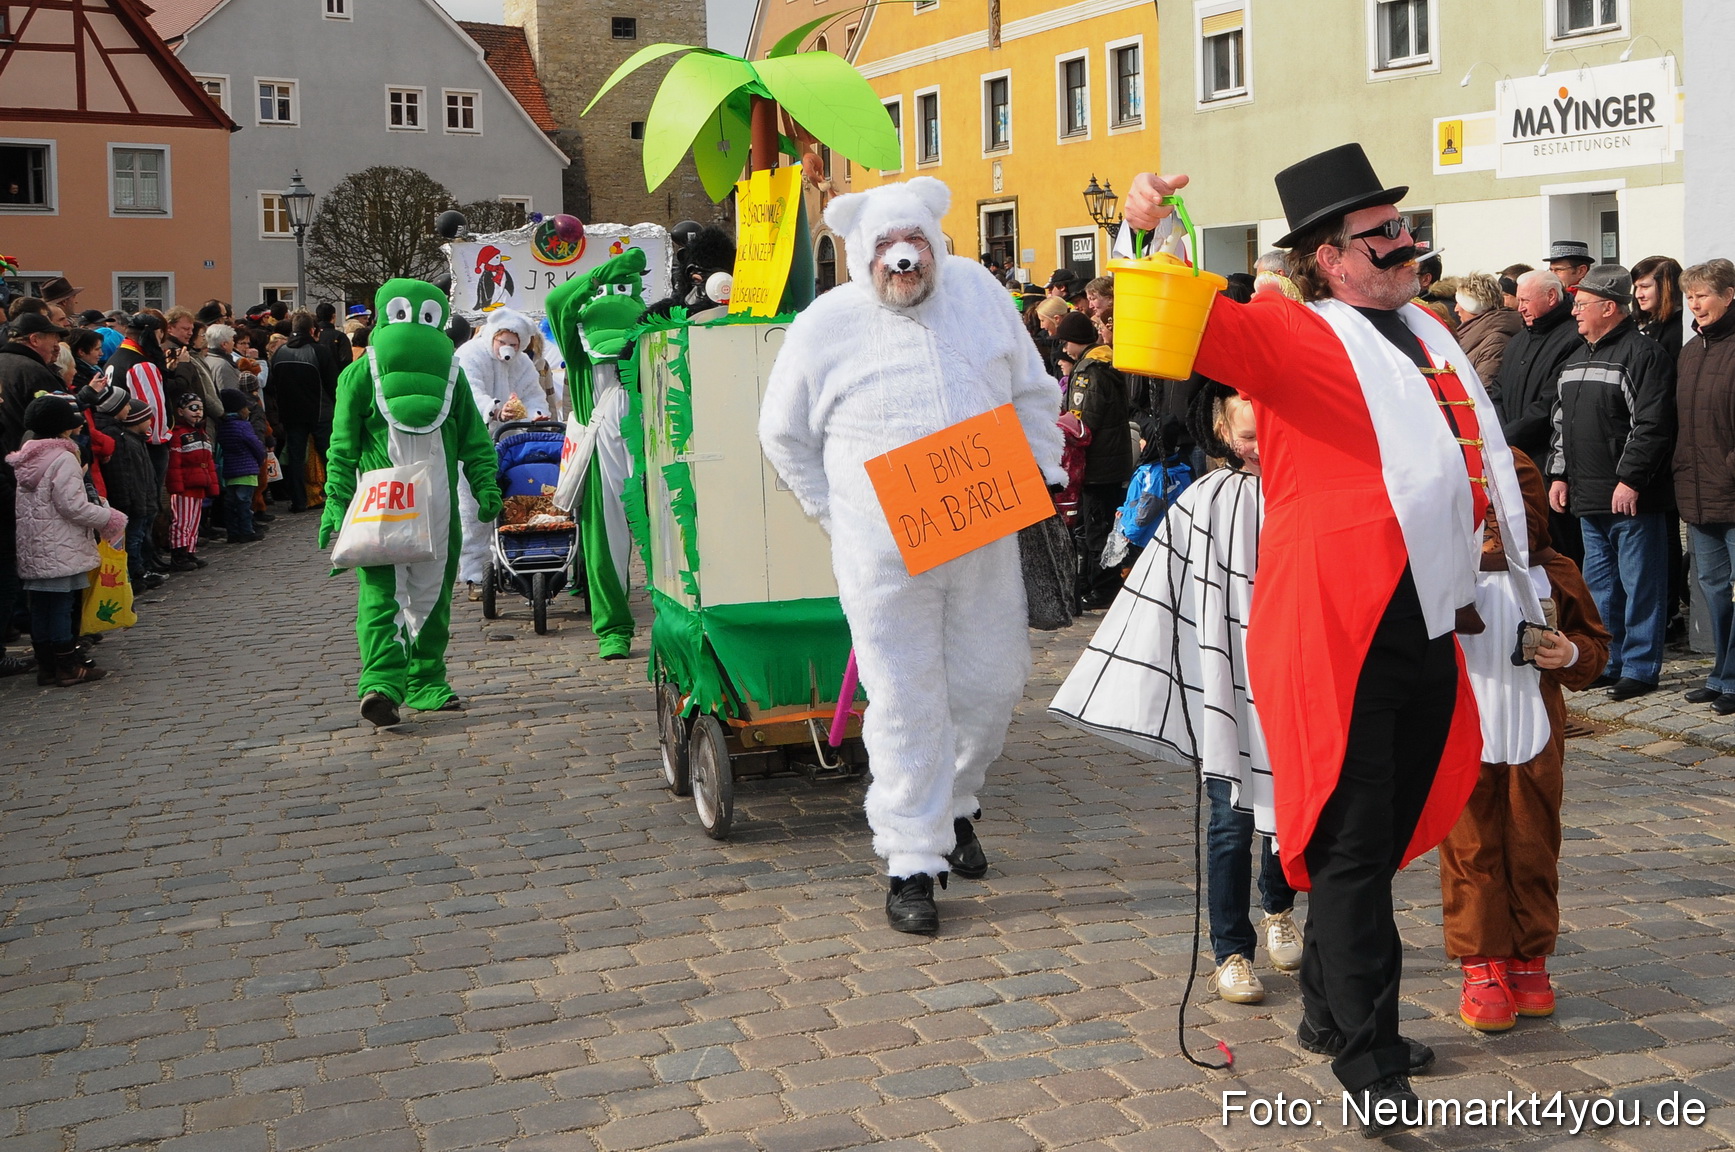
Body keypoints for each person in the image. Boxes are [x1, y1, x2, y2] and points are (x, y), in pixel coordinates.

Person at [1119, 144, 1535, 1132]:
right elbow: (1179, 328)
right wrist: (1143, 232)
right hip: (1333, 634)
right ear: (1325, 258)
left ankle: (1325, 1009)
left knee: (1382, 838)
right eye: (1380, 233)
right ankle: (1369, 1061)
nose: (1405, 242)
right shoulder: (1290, 333)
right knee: (1351, 851)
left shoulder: (1428, 331)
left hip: (1426, 619)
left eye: (1403, 225)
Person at [760, 177, 1065, 936]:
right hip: (882, 551)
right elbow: (784, 435)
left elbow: (1031, 391)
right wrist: (837, 514)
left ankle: (955, 803)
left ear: (937, 245)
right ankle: (910, 861)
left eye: (917, 247)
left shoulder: (978, 293)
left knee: (992, 684)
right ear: (863, 256)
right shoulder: (825, 324)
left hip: (982, 528)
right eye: (888, 254)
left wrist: (1041, 471)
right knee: (904, 700)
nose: (905, 264)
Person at [1052, 385, 1303, 1005]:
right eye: (1248, 436)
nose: (1260, 448)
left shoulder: (1305, 494)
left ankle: (1278, 907)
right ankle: (1230, 950)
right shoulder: (1204, 500)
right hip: (1225, 677)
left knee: (1288, 811)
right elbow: (1164, 589)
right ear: (1223, 433)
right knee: (1229, 818)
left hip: (1290, 675)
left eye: (1270, 433)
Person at [1440, 450, 1608, 1032]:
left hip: (1534, 731)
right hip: (1466, 732)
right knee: (1471, 849)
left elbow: (1594, 644)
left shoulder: (1552, 571)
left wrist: (1572, 655)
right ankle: (1482, 960)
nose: (1495, 523)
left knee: (1535, 844)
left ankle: (1528, 954)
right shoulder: (1444, 573)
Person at [318, 281, 501, 726]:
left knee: (432, 594)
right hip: (383, 500)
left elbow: (475, 440)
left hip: (438, 504)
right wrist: (336, 500)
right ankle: (381, 682)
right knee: (383, 593)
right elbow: (342, 445)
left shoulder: (452, 379)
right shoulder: (360, 375)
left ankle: (425, 679)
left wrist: (485, 484)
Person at [1547, 264, 1677, 702]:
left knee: (1641, 584)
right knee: (1600, 586)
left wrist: (1630, 479)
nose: (1575, 312)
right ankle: (1609, 660)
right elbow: (1560, 423)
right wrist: (1560, 473)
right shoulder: (1576, 357)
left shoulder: (1642, 354)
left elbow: (1653, 425)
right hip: (1587, 495)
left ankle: (1640, 667)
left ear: (1609, 307)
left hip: (1630, 497)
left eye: (1582, 305)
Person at [8, 395, 126, 685]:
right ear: (63, 428)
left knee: (42, 606)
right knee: (62, 605)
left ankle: (46, 665)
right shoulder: (63, 457)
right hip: (62, 545)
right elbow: (72, 505)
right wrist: (108, 517)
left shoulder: (29, 456)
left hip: (36, 545)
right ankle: (67, 665)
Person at [1488, 271, 1585, 565]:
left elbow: (1551, 403)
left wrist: (1506, 437)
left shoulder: (1572, 339)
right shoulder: (1519, 340)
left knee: (1558, 545)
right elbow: (1498, 390)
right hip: (1514, 457)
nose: (1520, 307)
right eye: (1519, 300)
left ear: (1551, 297)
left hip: (1546, 460)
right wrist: (1500, 432)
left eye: (1526, 300)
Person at [1672, 259, 1735, 712]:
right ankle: (1722, 673)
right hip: (1698, 492)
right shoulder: (1692, 350)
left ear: (1730, 295)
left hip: (1731, 488)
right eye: (1690, 296)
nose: (1695, 303)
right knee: (1712, 589)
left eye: (1704, 295)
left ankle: (1730, 678)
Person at [452, 309, 546, 596]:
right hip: (475, 440)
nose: (508, 349)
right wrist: (493, 409)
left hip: (511, 443)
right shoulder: (470, 355)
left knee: (518, 499)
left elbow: (533, 393)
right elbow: (470, 390)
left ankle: (517, 562)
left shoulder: (522, 364)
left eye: (515, 345)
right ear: (492, 336)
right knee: (473, 507)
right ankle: (474, 574)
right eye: (503, 341)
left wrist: (536, 414)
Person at [1055, 309, 1133, 608]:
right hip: (1109, 460)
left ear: (1076, 341)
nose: (1064, 349)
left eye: (1066, 342)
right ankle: (1096, 584)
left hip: (1099, 464)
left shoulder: (1089, 371)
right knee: (1096, 526)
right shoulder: (1103, 362)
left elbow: (1083, 423)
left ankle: (1103, 588)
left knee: (1097, 528)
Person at [269, 314, 335, 513]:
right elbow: (333, 384)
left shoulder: (280, 352)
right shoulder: (320, 352)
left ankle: (299, 500)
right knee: (329, 456)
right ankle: (337, 496)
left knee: (296, 458)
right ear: (312, 330)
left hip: (291, 413)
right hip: (320, 412)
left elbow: (273, 384)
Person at [100, 399, 162, 590]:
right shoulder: (127, 442)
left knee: (142, 536)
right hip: (138, 501)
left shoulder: (138, 441)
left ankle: (142, 568)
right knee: (134, 539)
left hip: (146, 500)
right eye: (148, 419)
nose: (151, 422)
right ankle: (135, 573)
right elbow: (132, 476)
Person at [165, 393, 220, 571]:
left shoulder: (203, 434)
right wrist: (177, 486)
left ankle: (190, 550)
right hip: (185, 486)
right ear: (181, 411)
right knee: (182, 521)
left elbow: (209, 463)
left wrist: (212, 484)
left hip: (199, 484)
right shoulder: (178, 435)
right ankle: (178, 554)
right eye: (193, 408)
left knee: (194, 521)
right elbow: (174, 464)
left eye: (201, 409)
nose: (198, 413)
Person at [0, 312, 68, 454]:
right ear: (35, 340)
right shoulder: (35, 372)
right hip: (32, 459)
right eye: (53, 340)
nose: (56, 347)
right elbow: (56, 424)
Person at [216, 388, 267, 543]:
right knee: (244, 503)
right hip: (247, 469)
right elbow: (255, 445)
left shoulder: (222, 426)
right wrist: (260, 459)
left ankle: (233, 532)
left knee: (231, 503)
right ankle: (247, 530)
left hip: (230, 470)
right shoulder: (243, 426)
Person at [1452, 272, 1522, 384]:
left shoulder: (1496, 341)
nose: (1456, 309)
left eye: (1460, 303)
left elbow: (1486, 387)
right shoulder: (1475, 334)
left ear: (1474, 307)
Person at [1631, 255, 1685, 361]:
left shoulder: (1679, 329)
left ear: (1666, 287)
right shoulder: (1633, 323)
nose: (1638, 295)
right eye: (1636, 287)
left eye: (1645, 287)